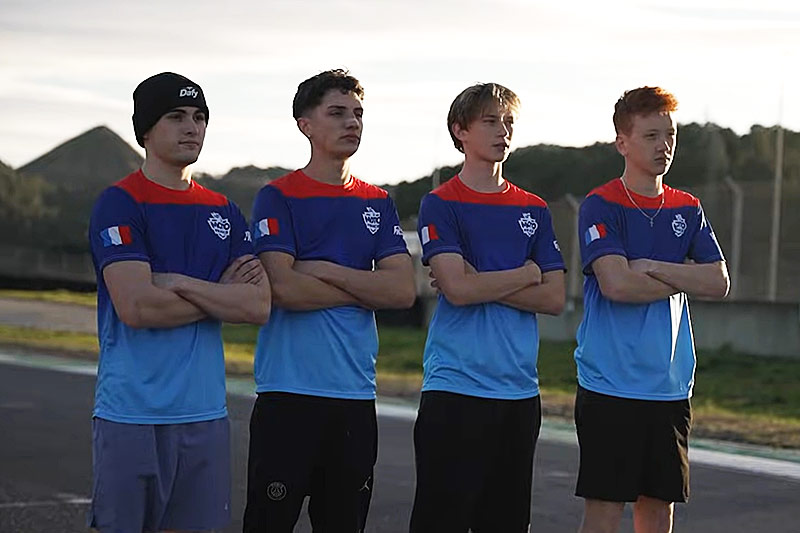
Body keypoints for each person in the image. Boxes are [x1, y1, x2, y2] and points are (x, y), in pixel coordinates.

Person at [87, 72, 270, 533]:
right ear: (146, 130)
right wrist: (220, 293)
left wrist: (178, 284)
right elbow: (138, 309)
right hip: (132, 412)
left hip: (205, 414)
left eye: (199, 117)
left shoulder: (223, 210)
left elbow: (257, 307)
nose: (192, 127)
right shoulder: (120, 203)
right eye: (176, 116)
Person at [243, 69, 416, 532]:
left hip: (354, 397)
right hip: (288, 394)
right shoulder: (278, 196)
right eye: (337, 113)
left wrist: (323, 268)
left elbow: (402, 291)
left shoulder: (377, 201)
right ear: (305, 124)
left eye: (357, 113)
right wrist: (365, 286)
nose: (351, 123)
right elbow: (284, 289)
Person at [409, 82, 566, 532]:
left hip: (518, 392)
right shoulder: (441, 203)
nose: (504, 131)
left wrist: (481, 281)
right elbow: (458, 290)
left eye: (509, 122)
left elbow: (554, 298)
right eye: (491, 121)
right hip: (456, 388)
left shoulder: (533, 208)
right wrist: (525, 274)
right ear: (460, 131)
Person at [573, 86, 730, 533]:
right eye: (651, 136)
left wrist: (654, 267)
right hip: (610, 383)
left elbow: (718, 282)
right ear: (622, 142)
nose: (664, 146)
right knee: (605, 510)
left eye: (670, 135)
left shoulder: (688, 207)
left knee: (659, 511)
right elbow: (617, 285)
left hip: (669, 386)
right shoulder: (601, 204)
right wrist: (683, 276)